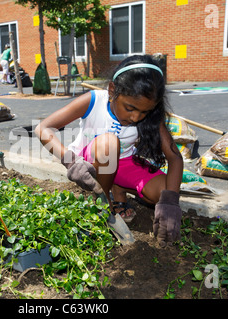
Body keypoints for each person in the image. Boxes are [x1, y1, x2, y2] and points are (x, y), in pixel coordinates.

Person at [35, 55, 184, 245]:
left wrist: (171, 202)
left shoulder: (148, 114)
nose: (137, 117)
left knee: (165, 190)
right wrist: (70, 161)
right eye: (130, 108)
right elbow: (43, 128)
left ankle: (118, 189)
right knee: (109, 144)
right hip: (90, 163)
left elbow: (175, 157)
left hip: (124, 163)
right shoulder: (94, 101)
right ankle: (103, 206)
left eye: (144, 112)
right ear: (113, 90)